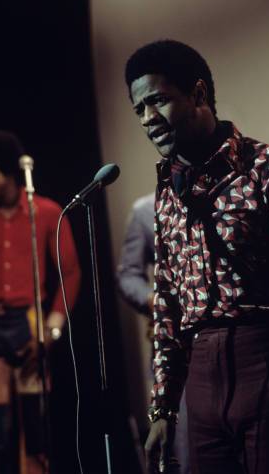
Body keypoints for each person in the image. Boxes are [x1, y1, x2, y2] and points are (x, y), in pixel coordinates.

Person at [124, 39, 269, 474]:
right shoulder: (169, 189)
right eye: (139, 111)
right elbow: (167, 302)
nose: (148, 119)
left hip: (265, 360)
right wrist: (163, 409)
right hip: (202, 380)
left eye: (158, 101)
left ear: (199, 93)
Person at [0, 130, 81, 474]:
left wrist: (50, 334)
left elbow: (70, 273)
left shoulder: (47, 212)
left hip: (30, 321)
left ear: (9, 172)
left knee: (38, 428)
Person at [116, 193, 190, 474]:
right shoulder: (149, 209)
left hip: (257, 348)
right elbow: (128, 274)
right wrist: (155, 301)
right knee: (187, 451)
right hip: (178, 345)